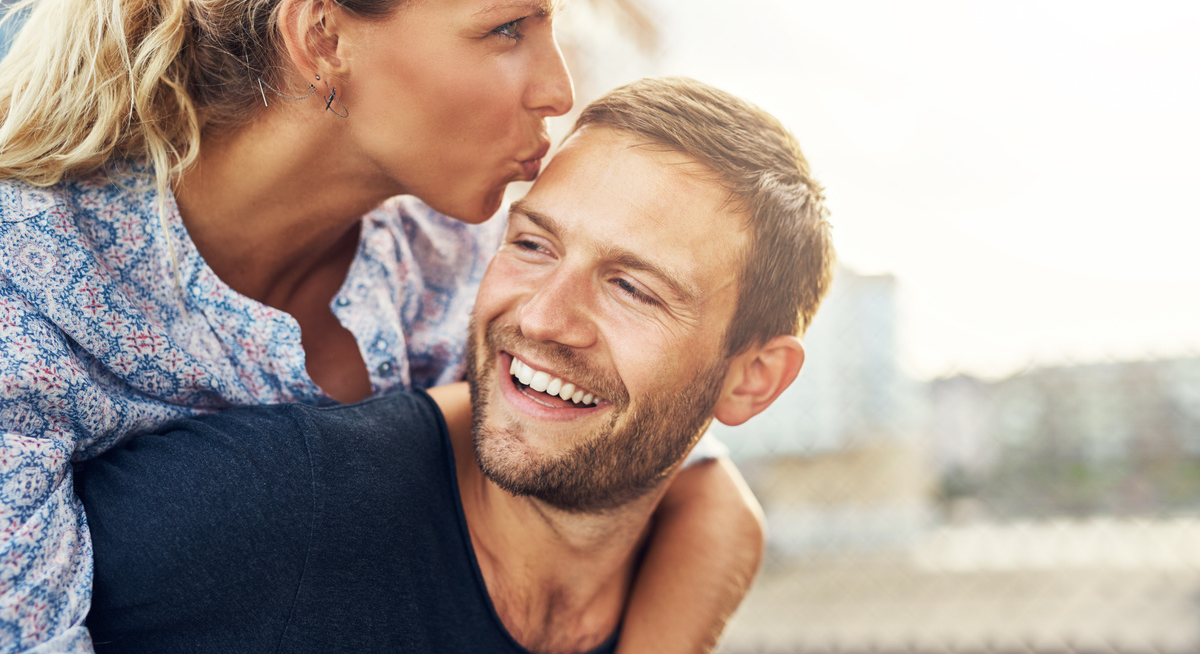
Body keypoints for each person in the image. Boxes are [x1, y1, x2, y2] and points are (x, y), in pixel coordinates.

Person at [0, 0, 763, 653]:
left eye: (551, 26)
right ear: (322, 38)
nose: (559, 89)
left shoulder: (457, 251)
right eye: (509, 29)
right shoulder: (24, 296)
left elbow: (702, 493)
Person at [76, 76, 836, 653]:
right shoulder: (280, 506)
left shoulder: (677, 556)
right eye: (532, 245)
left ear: (753, 378)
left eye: (632, 288)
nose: (541, 317)